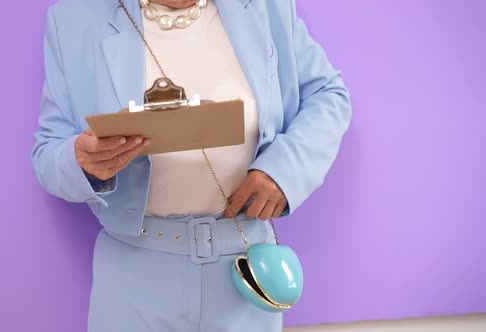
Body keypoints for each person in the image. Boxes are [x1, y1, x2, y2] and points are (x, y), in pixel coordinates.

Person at [31, 0, 351, 330]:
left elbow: (327, 95)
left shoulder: (266, 7)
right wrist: (83, 162)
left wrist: (285, 170)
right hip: (133, 272)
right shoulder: (73, 19)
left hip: (247, 265)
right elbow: (47, 153)